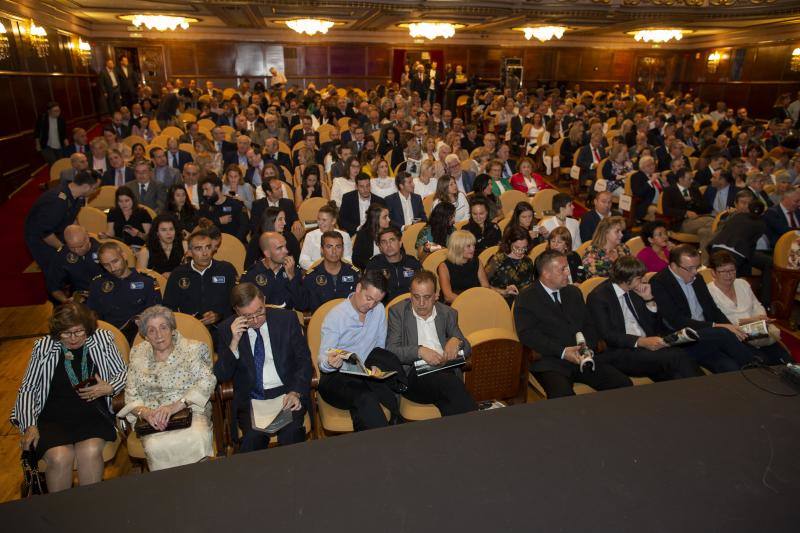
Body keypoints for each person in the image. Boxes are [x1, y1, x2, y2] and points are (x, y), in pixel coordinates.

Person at [12, 302, 126, 492]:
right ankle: (59, 515)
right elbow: (28, 388)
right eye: (66, 333)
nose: (73, 339)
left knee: (89, 452)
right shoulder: (43, 347)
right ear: (58, 331)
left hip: (92, 413)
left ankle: (89, 510)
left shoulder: (102, 339)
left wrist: (109, 387)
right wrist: (29, 425)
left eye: (79, 332)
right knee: (59, 457)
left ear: (87, 328)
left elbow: (123, 373)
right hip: (53, 417)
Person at [514, 249, 633, 398]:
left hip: (582, 357)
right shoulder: (526, 298)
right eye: (562, 269)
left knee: (623, 384)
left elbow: (589, 324)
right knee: (564, 398)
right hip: (551, 361)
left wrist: (586, 348)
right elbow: (528, 335)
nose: (568, 273)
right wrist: (563, 352)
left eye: (567, 268)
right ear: (546, 273)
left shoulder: (573, 292)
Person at [215, 284, 312, 452]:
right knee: (252, 440)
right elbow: (222, 375)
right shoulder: (226, 329)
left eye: (259, 311)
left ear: (264, 301)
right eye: (247, 316)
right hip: (252, 399)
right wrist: (234, 343)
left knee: (292, 435)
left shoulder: (287, 319)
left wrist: (295, 391)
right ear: (237, 311)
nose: (255, 320)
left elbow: (304, 361)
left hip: (286, 394)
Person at [119, 306, 216, 471]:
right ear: (145, 336)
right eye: (151, 330)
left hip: (189, 410)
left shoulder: (193, 349)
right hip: (154, 417)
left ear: (172, 329)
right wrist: (146, 413)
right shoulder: (138, 354)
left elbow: (207, 381)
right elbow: (131, 395)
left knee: (197, 437)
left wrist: (175, 406)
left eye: (163, 327)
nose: (158, 335)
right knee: (155, 445)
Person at [586, 256, 703, 382]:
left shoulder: (636, 291)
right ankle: (708, 390)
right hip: (620, 352)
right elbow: (608, 335)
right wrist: (641, 341)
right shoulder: (599, 297)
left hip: (647, 349)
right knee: (677, 355)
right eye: (639, 278)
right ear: (626, 279)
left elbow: (655, 328)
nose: (643, 280)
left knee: (675, 373)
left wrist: (649, 300)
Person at [317, 270, 406, 430]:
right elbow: (322, 360)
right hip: (335, 378)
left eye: (377, 301)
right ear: (358, 288)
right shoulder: (336, 317)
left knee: (379, 397)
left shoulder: (378, 310)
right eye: (368, 298)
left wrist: (377, 367)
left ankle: (368, 448)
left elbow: (379, 348)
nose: (371, 305)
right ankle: (387, 444)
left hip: (365, 374)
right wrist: (330, 363)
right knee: (366, 397)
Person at [649, 245, 759, 373]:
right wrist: (717, 326)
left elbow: (712, 309)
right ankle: (757, 368)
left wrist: (731, 327)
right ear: (674, 266)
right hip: (682, 338)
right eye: (690, 268)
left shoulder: (698, 279)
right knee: (723, 333)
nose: (695, 272)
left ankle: (759, 365)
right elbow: (676, 320)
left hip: (706, 337)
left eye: (697, 267)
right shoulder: (659, 282)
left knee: (730, 367)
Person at [386, 270, 477, 415]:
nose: (421, 303)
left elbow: (467, 349)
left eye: (427, 297)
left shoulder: (448, 313)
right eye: (416, 297)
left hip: (444, 371)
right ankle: (478, 422)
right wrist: (419, 351)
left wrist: (457, 341)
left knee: (450, 403)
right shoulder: (398, 313)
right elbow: (391, 350)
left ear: (436, 295)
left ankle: (460, 435)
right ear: (410, 294)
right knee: (451, 385)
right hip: (415, 376)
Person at [706, 251, 789, 363]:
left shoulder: (742, 284)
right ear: (713, 273)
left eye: (732, 270)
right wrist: (751, 320)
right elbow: (720, 321)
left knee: (785, 358)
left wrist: (761, 316)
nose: (729, 275)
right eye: (723, 271)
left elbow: (756, 305)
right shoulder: (708, 292)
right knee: (763, 361)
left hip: (756, 330)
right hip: (736, 336)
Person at [25, 169, 100, 272]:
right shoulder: (57, 201)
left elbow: (72, 219)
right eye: (95, 188)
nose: (95, 191)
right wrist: (66, 249)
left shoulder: (78, 196)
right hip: (42, 240)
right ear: (86, 187)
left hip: (58, 232)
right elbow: (46, 234)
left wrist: (82, 235)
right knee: (55, 270)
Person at [163, 229, 237, 332]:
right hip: (189, 331)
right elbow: (168, 307)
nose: (205, 253)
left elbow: (236, 303)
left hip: (223, 330)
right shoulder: (178, 274)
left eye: (208, 247)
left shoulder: (226, 270)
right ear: (189, 252)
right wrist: (187, 320)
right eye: (198, 248)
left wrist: (219, 315)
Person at [87, 241, 161, 337]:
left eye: (115, 261)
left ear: (124, 256)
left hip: (140, 336)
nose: (112, 268)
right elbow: (92, 316)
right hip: (108, 336)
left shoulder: (147, 282)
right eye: (106, 265)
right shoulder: (98, 284)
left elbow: (157, 314)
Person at [241, 231, 304, 310]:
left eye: (285, 246)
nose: (286, 251)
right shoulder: (252, 275)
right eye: (279, 248)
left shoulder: (294, 270)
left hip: (287, 319)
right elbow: (245, 308)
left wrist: (292, 277)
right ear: (267, 253)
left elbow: (302, 305)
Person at [301, 230, 360, 312]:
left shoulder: (354, 274)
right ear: (322, 250)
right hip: (321, 321)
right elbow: (302, 306)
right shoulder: (312, 276)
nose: (334, 251)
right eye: (329, 247)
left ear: (343, 249)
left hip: (348, 321)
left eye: (338, 247)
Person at [661, 168, 714, 256]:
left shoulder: (694, 189)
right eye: (689, 179)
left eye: (692, 178)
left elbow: (706, 207)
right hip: (681, 222)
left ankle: (703, 262)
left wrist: (694, 201)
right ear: (681, 179)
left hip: (698, 220)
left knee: (705, 232)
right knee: (712, 221)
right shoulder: (669, 191)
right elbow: (666, 210)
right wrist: (685, 213)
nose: (692, 181)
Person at [46, 225, 102, 304]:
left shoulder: (102, 250)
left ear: (87, 238)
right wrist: (66, 300)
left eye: (80, 246)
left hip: (105, 295)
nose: (76, 251)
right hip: (79, 299)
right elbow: (53, 286)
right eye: (72, 247)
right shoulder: (62, 255)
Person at [366, 226, 422, 303]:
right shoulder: (374, 265)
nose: (388, 245)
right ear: (380, 247)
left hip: (412, 306)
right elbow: (369, 293)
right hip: (384, 309)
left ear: (400, 243)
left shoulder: (412, 263)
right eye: (383, 242)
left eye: (392, 240)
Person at [438, 230, 491, 304]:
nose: (473, 249)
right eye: (468, 246)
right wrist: (469, 304)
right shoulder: (444, 267)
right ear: (457, 247)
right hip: (454, 304)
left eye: (473, 245)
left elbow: (485, 286)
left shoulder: (476, 261)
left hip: (474, 300)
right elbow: (448, 296)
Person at [486, 225, 535, 304]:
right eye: (516, 247)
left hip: (521, 302)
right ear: (509, 242)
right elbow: (483, 285)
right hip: (498, 301)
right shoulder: (497, 259)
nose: (520, 251)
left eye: (524, 247)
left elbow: (529, 285)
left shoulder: (527, 261)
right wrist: (503, 291)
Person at [581, 216, 630, 280]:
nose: (621, 235)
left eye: (621, 231)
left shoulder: (623, 248)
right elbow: (597, 280)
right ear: (605, 232)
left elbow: (633, 270)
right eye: (617, 231)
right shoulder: (592, 253)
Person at [352, 203, 391, 270]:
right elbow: (356, 259)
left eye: (388, 216)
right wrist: (374, 265)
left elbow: (401, 253)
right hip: (371, 272)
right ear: (375, 219)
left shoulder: (392, 232)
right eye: (385, 217)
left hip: (391, 269)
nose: (389, 219)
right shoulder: (363, 235)